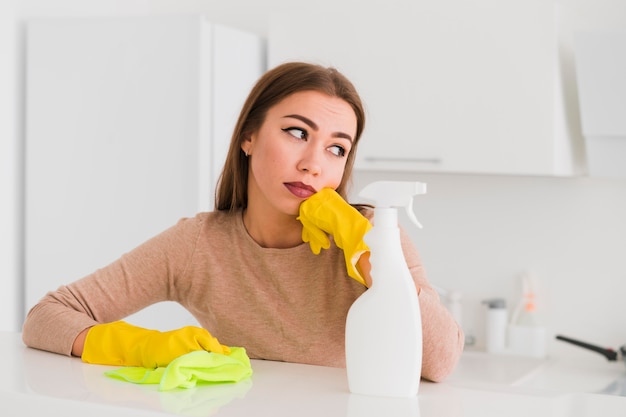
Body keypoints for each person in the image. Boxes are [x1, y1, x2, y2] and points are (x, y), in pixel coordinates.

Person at [22, 61, 464, 382]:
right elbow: (45, 317)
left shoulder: (372, 237)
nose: (314, 164)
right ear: (248, 138)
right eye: (297, 133)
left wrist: (371, 256)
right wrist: (145, 347)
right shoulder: (198, 244)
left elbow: (440, 361)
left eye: (336, 149)